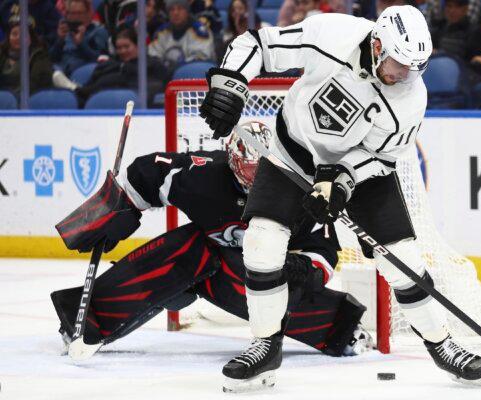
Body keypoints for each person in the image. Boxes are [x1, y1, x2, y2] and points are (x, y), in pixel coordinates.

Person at [199, 5, 481, 392]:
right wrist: (231, 83)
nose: (405, 75)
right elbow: (258, 44)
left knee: (402, 262)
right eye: (399, 63)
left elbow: (381, 157)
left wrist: (340, 180)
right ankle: (265, 345)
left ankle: (442, 344)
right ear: (376, 43)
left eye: (415, 67)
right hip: (291, 154)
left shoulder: (410, 98)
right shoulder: (333, 34)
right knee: (261, 244)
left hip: (362, 174)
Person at [51, 122, 373, 362]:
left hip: (259, 278)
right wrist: (116, 207)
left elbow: (325, 248)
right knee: (191, 248)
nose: (256, 186)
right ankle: (86, 319)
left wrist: (302, 268)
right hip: (201, 261)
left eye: (263, 176)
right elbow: (147, 172)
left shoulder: (296, 191)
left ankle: (341, 330)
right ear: (233, 163)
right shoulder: (203, 176)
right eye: (249, 176)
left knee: (280, 289)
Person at [74, 27, 168, 107]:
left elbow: (159, 87)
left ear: (138, 46)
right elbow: (90, 87)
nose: (122, 51)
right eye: (119, 48)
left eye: (126, 47)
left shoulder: (152, 64)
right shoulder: (108, 65)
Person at [148, 0, 215, 69]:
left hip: (191, 76)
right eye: (172, 9)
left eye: (180, 9)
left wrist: (175, 68)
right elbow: (153, 56)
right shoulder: (161, 32)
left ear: (187, 12)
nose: (175, 13)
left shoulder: (200, 32)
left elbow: (200, 60)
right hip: (164, 76)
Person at [49, 0, 109, 76]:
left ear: (88, 13)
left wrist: (81, 44)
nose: (75, 17)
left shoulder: (99, 31)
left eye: (79, 13)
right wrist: (60, 40)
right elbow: (51, 58)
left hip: (84, 74)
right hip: (60, 71)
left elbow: (100, 59)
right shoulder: (64, 31)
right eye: (72, 13)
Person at [0, 16, 53, 96]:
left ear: (30, 38)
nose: (18, 38)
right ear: (8, 38)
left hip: (27, 102)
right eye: (14, 34)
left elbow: (34, 86)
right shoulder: (2, 55)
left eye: (23, 34)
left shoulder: (39, 57)